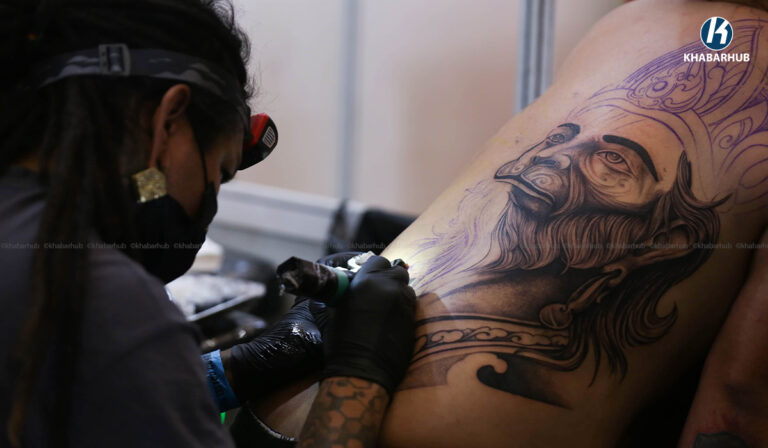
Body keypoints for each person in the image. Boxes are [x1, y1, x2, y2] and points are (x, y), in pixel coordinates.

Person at [251, 0, 768, 446]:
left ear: (671, 240)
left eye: (612, 161)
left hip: (266, 412)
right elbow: (741, 397)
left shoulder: (631, 19)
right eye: (562, 138)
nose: (552, 157)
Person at [0, 1, 416, 447]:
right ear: (167, 123)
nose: (209, 199)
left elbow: (94, 398)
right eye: (217, 172)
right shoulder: (100, 298)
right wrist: (359, 370)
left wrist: (251, 364)